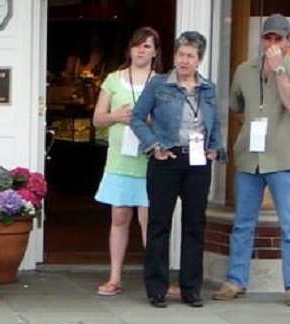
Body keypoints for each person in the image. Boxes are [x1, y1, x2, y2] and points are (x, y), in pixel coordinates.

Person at [214, 13, 290, 306]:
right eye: (268, 38)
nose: (272, 43)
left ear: (288, 41)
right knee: (243, 223)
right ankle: (236, 280)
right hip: (249, 157)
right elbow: (236, 106)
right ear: (261, 39)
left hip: (283, 157)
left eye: (278, 39)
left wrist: (279, 70)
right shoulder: (245, 69)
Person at [130, 31, 222, 309]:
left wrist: (215, 148)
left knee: (195, 225)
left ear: (199, 59)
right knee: (159, 224)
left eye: (190, 56)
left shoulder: (209, 88)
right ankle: (156, 288)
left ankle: (191, 288)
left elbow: (214, 123)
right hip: (166, 159)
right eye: (180, 54)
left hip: (197, 162)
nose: (184, 60)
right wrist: (154, 145)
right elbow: (136, 118)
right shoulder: (159, 85)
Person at [91, 27, 162, 297]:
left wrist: (147, 122)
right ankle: (114, 277)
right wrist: (117, 116)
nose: (141, 50)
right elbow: (98, 119)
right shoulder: (113, 79)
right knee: (119, 217)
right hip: (120, 158)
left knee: (148, 219)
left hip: (149, 159)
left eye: (147, 46)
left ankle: (154, 279)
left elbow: (167, 122)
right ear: (129, 49)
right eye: (137, 45)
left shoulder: (161, 81)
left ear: (155, 51)